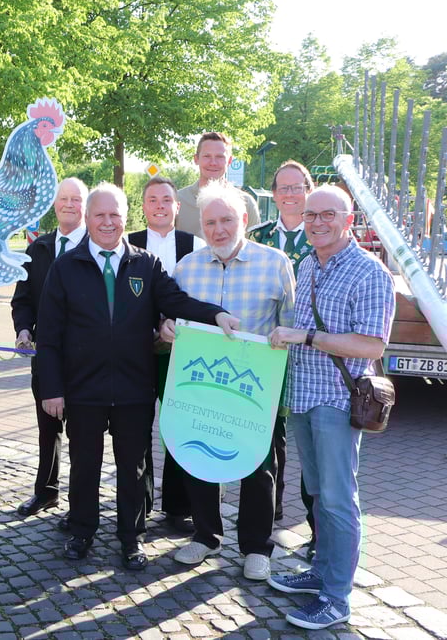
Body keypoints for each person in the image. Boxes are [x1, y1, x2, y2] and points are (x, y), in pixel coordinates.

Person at [36, 183, 239, 569]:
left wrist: (214, 314)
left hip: (133, 388)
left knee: (133, 468)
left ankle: (132, 538)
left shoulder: (145, 264)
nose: (108, 222)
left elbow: (176, 301)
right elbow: (49, 335)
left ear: (124, 217)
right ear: (88, 219)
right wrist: (52, 388)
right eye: (100, 215)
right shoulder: (65, 268)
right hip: (83, 390)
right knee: (85, 465)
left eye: (115, 215)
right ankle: (82, 531)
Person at [267, 185, 394, 630]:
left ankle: (337, 597)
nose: (317, 222)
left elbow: (371, 343)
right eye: (311, 215)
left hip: (338, 402)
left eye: (328, 215)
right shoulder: (308, 263)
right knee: (319, 494)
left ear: (349, 217)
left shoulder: (368, 272)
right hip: (302, 398)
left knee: (340, 500)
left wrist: (305, 337)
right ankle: (319, 573)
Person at [160, 187, 295, 582]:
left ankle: (256, 547)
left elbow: (290, 320)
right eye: (210, 223)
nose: (218, 230)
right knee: (200, 460)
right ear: (201, 226)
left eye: (227, 221)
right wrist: (165, 327)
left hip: (256, 389)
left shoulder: (275, 264)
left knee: (259, 469)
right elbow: (168, 317)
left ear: (245, 222)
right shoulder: (187, 267)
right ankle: (206, 535)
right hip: (201, 386)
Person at [127, 175, 206, 534]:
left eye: (166, 200)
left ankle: (178, 506)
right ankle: (139, 504)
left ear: (178, 206)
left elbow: (198, 297)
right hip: (137, 353)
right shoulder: (127, 245)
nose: (159, 205)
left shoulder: (196, 245)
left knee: (179, 426)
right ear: (143, 207)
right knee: (137, 429)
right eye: (152, 200)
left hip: (182, 350)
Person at [248, 159, 316, 549]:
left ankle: (315, 527)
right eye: (283, 187)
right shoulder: (257, 238)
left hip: (308, 356)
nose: (290, 194)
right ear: (273, 194)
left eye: (297, 187)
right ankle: (267, 509)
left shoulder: (322, 234)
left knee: (308, 442)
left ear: (307, 190)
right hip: (265, 353)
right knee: (269, 435)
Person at [12, 177, 88, 523]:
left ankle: (81, 504)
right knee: (47, 427)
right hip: (46, 355)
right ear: (54, 204)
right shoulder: (38, 248)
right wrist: (24, 329)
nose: (69, 205)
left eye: (76, 199)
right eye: (63, 199)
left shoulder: (96, 245)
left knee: (83, 433)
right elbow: (22, 299)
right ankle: (46, 491)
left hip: (87, 356)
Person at [175, 132, 261, 237]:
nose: (213, 162)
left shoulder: (246, 203)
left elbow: (254, 249)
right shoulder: (176, 200)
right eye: (207, 156)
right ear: (196, 159)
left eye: (220, 157)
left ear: (229, 161)